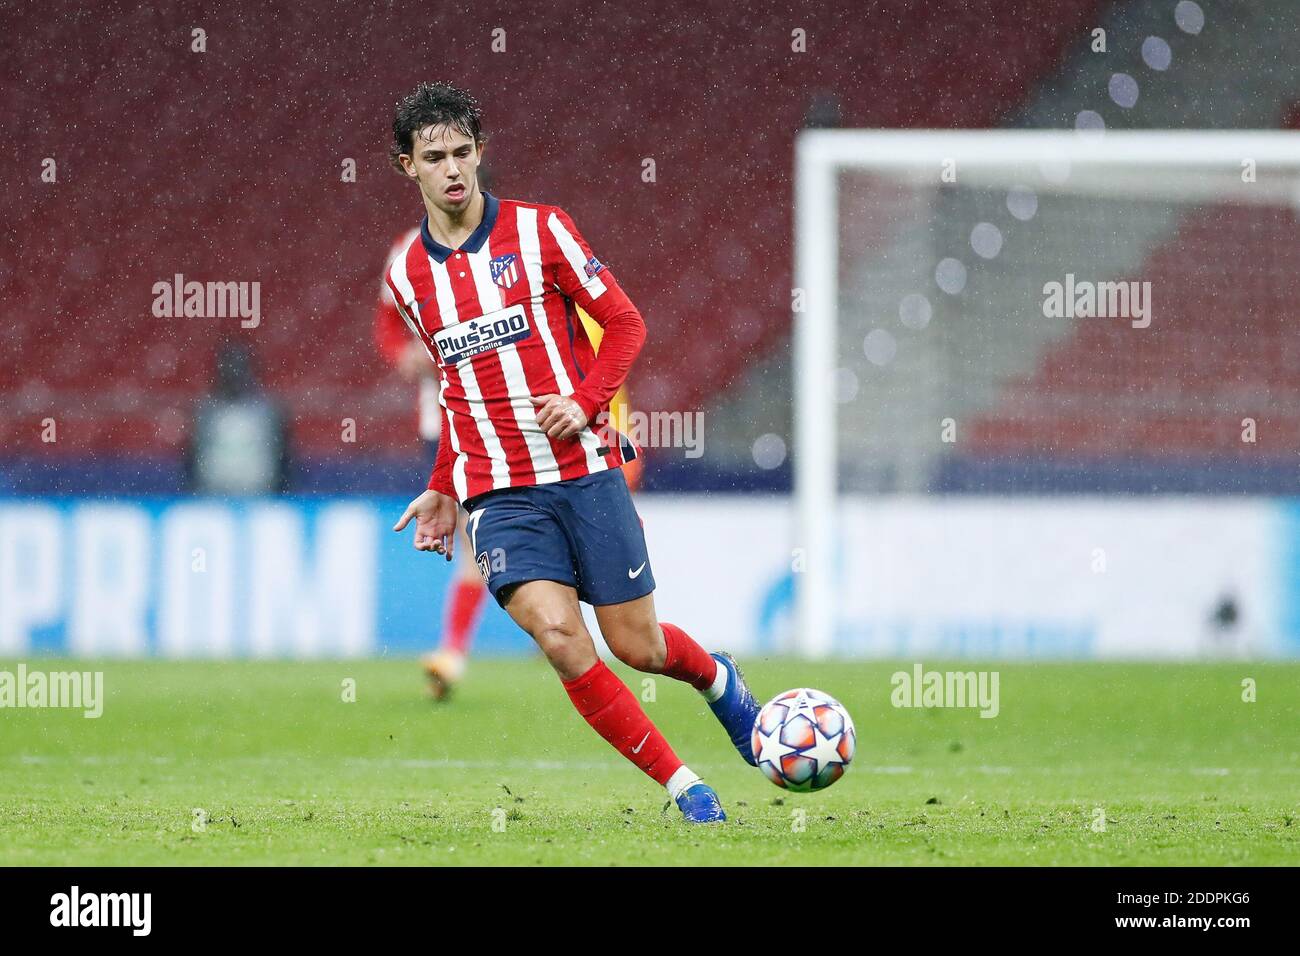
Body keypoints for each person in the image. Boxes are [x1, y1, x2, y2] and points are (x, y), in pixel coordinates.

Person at [385, 82, 758, 823]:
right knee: (559, 637)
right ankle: (687, 789)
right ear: (408, 168)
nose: (453, 169)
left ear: (481, 153)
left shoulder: (541, 232)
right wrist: (443, 485)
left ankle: (720, 682)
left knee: (639, 646)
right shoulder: (407, 276)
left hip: (585, 472)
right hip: (499, 493)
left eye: (463, 152)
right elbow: (459, 393)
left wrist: (585, 402)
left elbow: (625, 323)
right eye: (435, 157)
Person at [375, 229, 488, 699]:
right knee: (469, 532)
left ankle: (457, 650)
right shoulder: (405, 249)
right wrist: (404, 355)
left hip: (501, 411)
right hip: (441, 420)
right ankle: (454, 652)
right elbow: (387, 323)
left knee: (483, 530)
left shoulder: (513, 242)